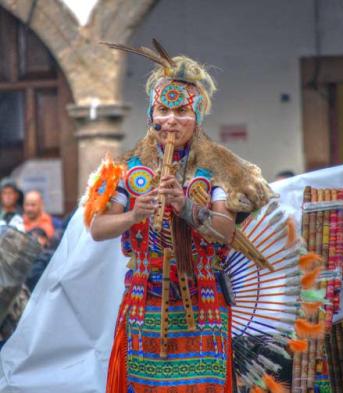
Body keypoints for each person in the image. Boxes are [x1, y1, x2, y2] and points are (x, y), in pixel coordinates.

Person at [88, 42, 274, 393]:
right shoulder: (127, 168)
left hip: (202, 299)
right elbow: (98, 229)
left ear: (197, 118)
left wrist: (186, 207)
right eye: (163, 110)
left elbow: (224, 231)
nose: (171, 120)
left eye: (182, 112)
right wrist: (134, 214)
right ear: (151, 115)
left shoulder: (219, 166)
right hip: (145, 297)